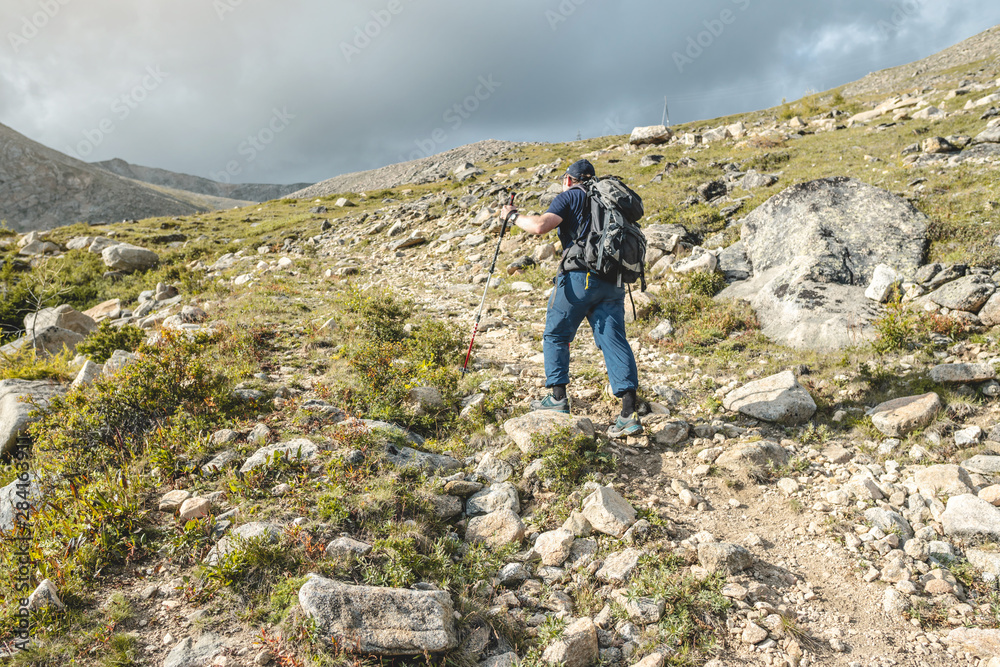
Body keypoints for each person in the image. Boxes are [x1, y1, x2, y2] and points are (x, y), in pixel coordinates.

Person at [501, 159, 642, 438]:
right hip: (613, 282)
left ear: (568, 179)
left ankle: (557, 400)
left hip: (579, 279)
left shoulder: (571, 196)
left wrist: (512, 216)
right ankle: (628, 414)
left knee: (556, 334)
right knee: (614, 340)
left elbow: (541, 226)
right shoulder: (608, 200)